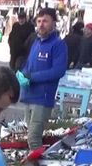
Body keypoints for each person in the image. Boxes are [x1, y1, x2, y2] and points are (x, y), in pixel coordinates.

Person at [17, 8, 68, 151]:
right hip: (28, 95)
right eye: (39, 21)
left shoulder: (58, 44)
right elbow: (29, 65)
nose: (41, 24)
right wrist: (22, 74)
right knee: (30, 135)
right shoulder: (36, 42)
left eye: (45, 21)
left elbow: (58, 71)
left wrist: (32, 77)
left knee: (33, 138)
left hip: (42, 98)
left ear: (54, 23)